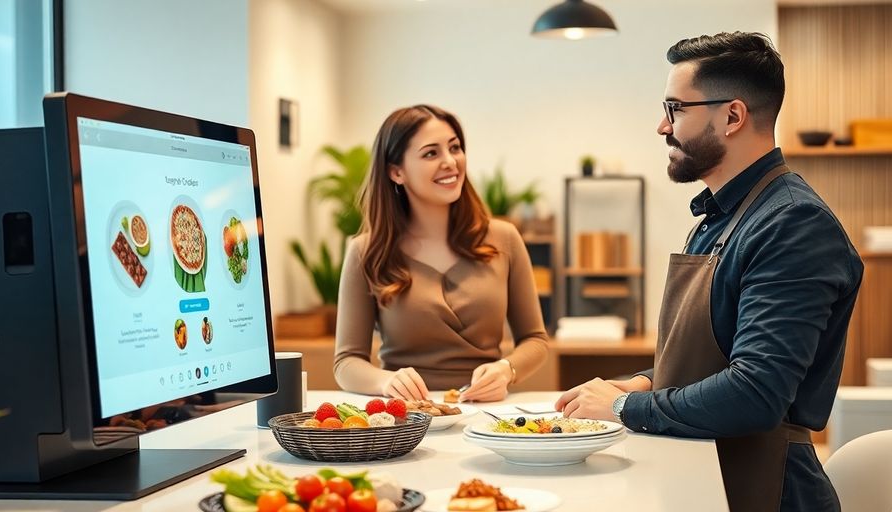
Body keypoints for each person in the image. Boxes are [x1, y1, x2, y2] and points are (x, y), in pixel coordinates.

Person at [555, 32, 863, 512]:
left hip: (763, 488)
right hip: (706, 469)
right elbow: (713, 360)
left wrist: (621, 408)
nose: (662, 125)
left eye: (676, 109)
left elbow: (756, 392)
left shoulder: (794, 224)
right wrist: (642, 383)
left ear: (733, 116)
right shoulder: (720, 218)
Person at [334, 104, 549, 402]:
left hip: (488, 414)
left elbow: (536, 340)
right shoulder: (365, 252)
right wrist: (387, 382)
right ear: (397, 172)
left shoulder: (505, 238)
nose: (450, 162)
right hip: (408, 418)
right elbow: (346, 362)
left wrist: (506, 369)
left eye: (455, 148)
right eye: (431, 153)